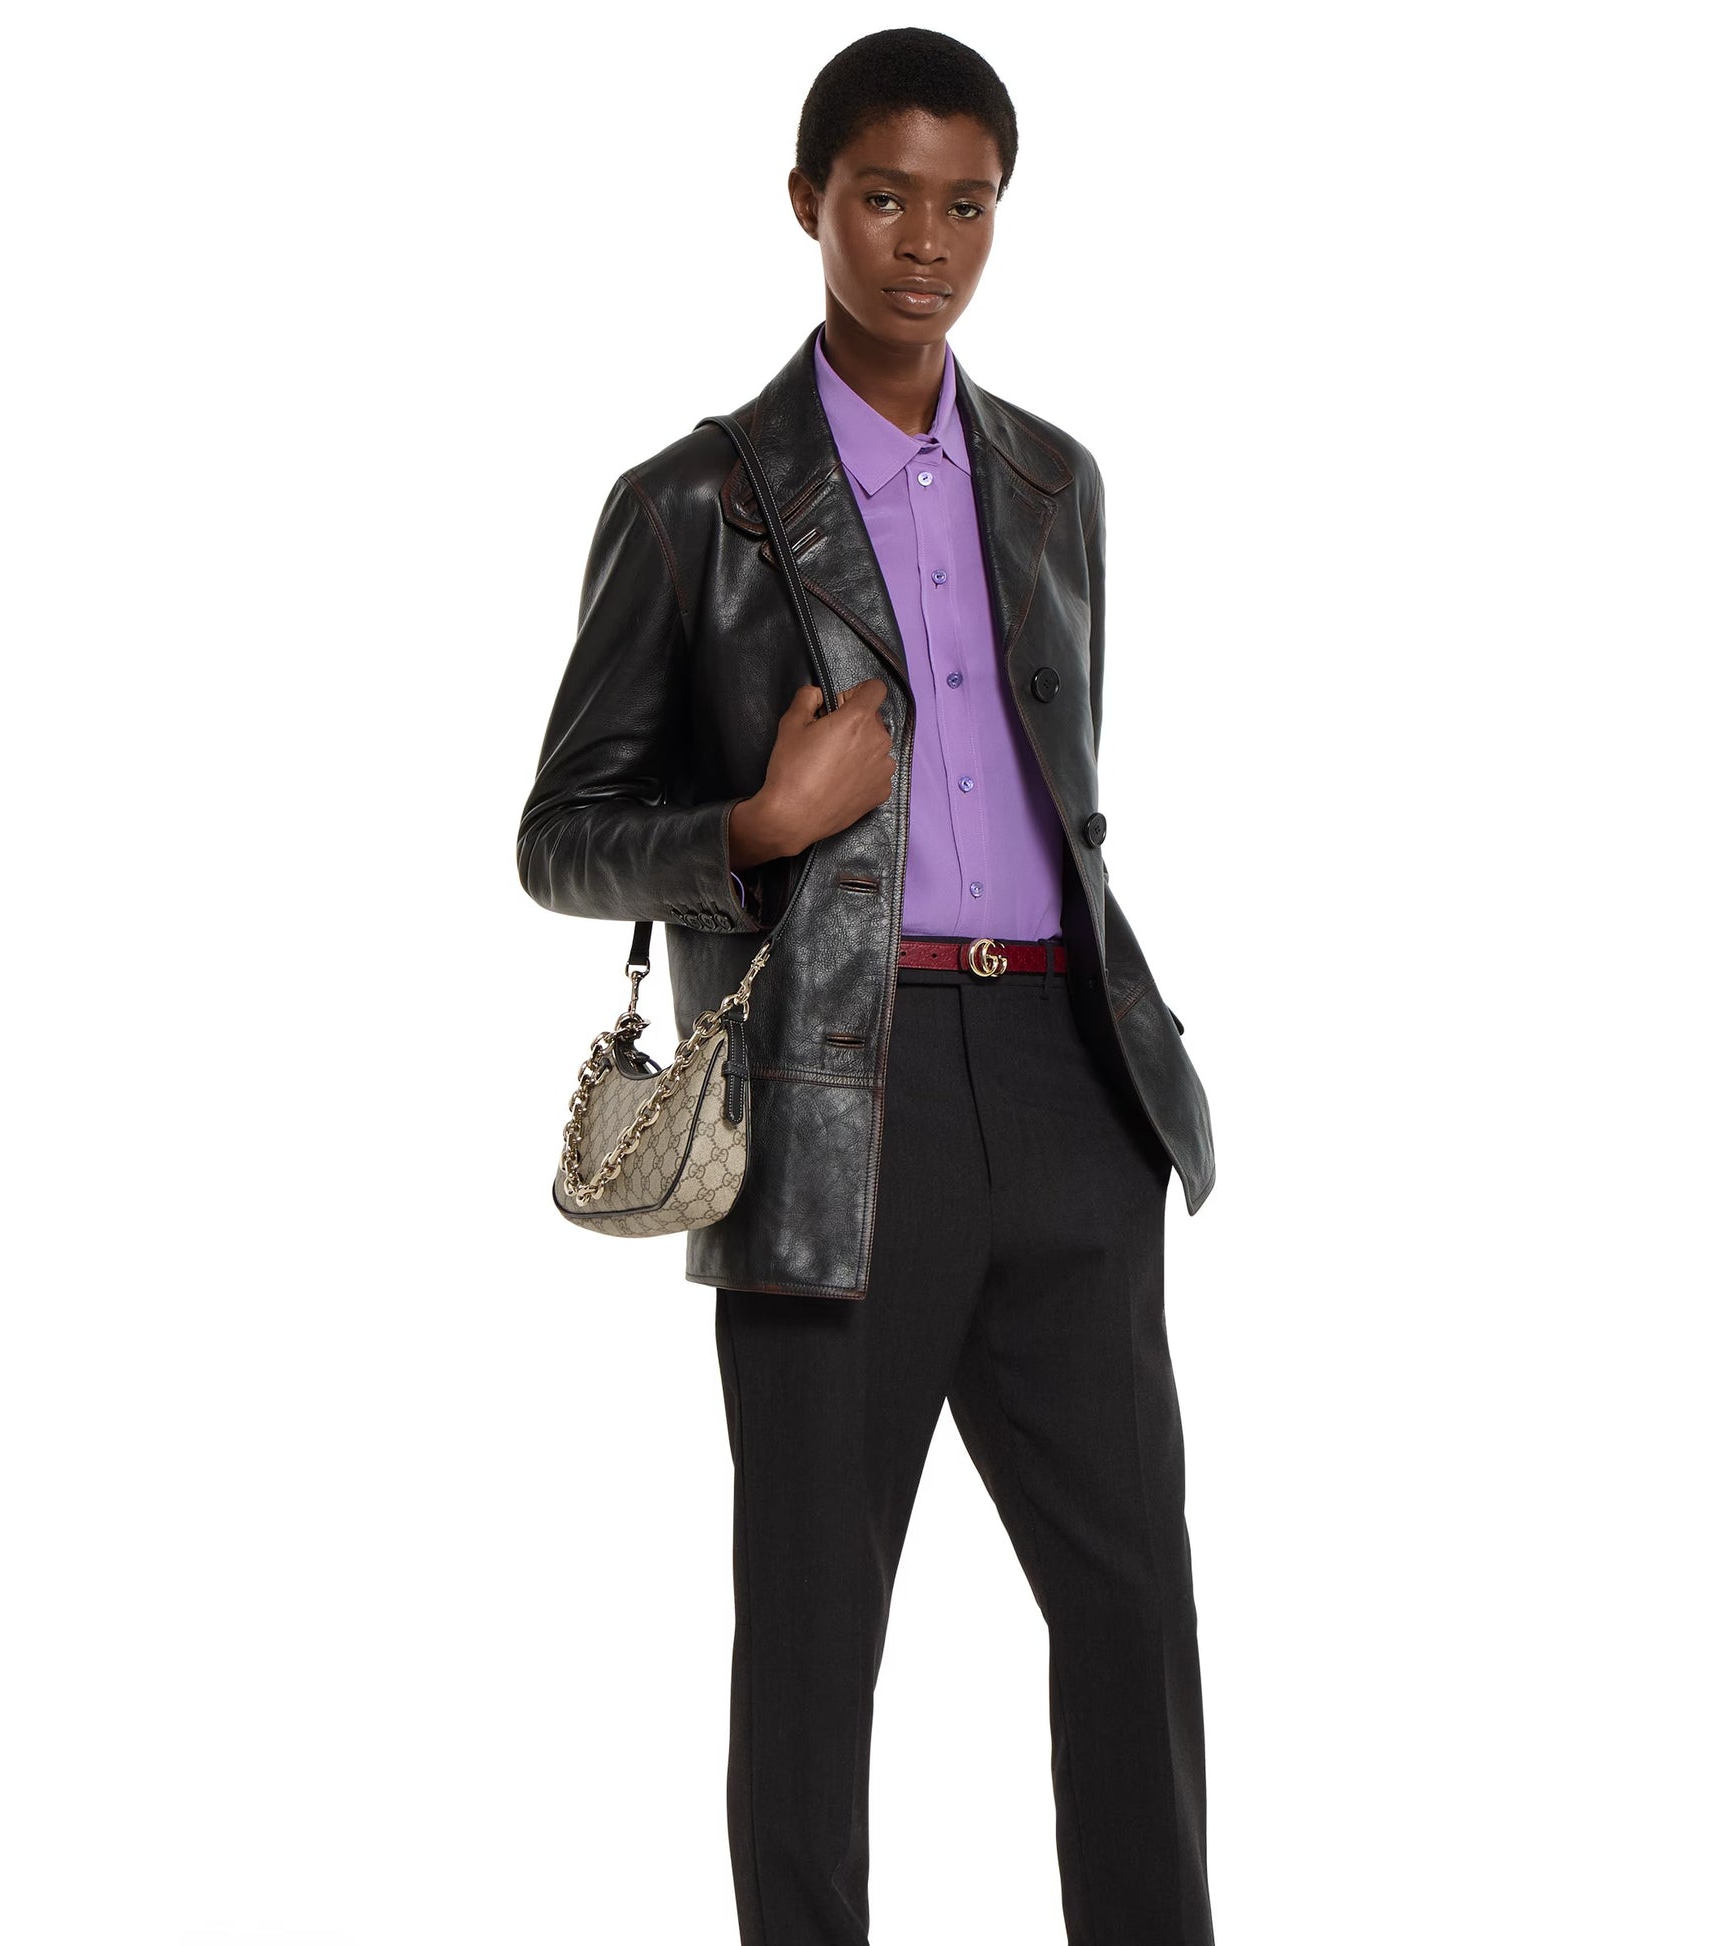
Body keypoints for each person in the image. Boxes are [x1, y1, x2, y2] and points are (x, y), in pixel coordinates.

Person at [517, 28, 1218, 1944]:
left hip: (1070, 1076)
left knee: (1131, 1607)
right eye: (884, 197)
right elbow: (561, 833)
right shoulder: (695, 503)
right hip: (840, 1103)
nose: (925, 242)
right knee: (818, 1637)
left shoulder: (1055, 479)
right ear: (806, 200)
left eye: (965, 203)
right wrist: (757, 821)